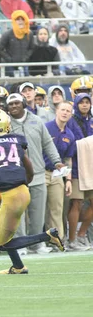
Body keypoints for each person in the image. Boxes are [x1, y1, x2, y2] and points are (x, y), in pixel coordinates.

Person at [0, 109, 64, 274]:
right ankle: (18, 267)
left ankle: (48, 236)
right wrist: (23, 184)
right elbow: (30, 169)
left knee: (2, 244)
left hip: (11, 196)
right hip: (21, 191)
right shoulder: (16, 141)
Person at [6, 94, 63, 254]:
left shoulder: (37, 120)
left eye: (17, 103)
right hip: (16, 175)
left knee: (38, 213)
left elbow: (47, 143)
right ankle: (21, 244)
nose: (14, 106)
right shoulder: (5, 124)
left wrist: (57, 161)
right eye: (10, 104)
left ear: (23, 103)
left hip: (38, 173)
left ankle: (37, 243)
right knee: (18, 212)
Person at [66, 89, 93, 251]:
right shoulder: (71, 121)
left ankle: (82, 234)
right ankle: (72, 239)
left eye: (87, 102)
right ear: (76, 104)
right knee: (77, 202)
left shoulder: (92, 120)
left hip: (91, 166)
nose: (84, 105)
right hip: (76, 167)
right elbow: (71, 142)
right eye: (81, 102)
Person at [44, 101, 75, 240]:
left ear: (71, 114)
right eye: (63, 110)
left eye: (68, 111)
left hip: (57, 174)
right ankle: (36, 241)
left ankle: (58, 240)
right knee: (37, 210)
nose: (65, 113)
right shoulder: (45, 128)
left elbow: (68, 159)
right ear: (56, 111)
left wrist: (68, 179)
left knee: (57, 209)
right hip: (41, 172)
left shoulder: (70, 135)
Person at [0, 10, 34, 77]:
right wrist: (9, 59)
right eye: (18, 19)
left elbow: (31, 48)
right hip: (10, 65)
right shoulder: (7, 34)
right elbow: (0, 49)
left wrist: (26, 58)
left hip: (24, 64)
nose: (20, 21)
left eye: (22, 19)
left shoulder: (29, 34)